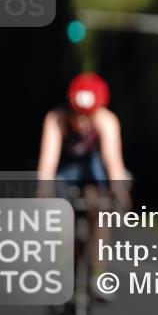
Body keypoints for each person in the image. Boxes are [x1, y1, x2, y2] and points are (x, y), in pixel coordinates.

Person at [37, 73, 130, 291]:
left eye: (87, 116)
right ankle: (60, 272)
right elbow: (48, 162)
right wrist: (43, 191)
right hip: (65, 170)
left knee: (100, 209)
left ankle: (98, 273)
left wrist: (118, 191)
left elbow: (112, 160)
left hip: (92, 169)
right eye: (77, 114)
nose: (81, 122)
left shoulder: (107, 121)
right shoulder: (56, 119)